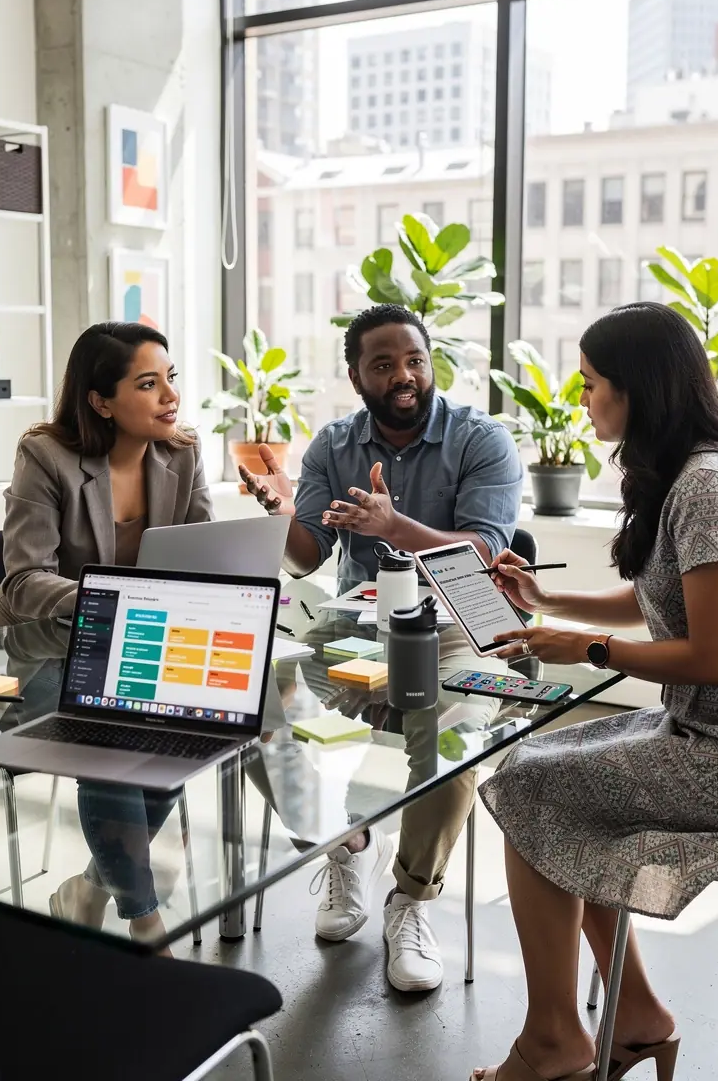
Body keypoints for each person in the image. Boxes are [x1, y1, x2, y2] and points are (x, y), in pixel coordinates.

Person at [472, 302, 718, 1081]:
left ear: (638, 390)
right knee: (540, 775)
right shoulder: (695, 472)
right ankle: (632, 1018)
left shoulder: (706, 487)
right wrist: (546, 604)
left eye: (593, 383)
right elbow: (660, 601)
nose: (584, 399)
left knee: (528, 789)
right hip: (700, 735)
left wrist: (590, 650)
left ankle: (554, 1040)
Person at [240, 303, 522, 991]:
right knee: (249, 710)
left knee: (455, 743)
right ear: (356, 375)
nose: (404, 375)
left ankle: (411, 899)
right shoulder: (334, 446)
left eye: (415, 360)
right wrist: (279, 507)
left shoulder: (482, 439)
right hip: (355, 624)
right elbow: (307, 557)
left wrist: (396, 524)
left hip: (460, 618)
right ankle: (348, 843)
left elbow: (485, 554)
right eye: (384, 364)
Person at [0, 321, 214, 947]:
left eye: (171, 378)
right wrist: (123, 601)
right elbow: (25, 581)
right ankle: (144, 921)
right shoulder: (45, 457)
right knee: (111, 732)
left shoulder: (183, 453)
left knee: (191, 725)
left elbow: (210, 558)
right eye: (147, 383)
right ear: (100, 401)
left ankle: (88, 890)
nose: (170, 396)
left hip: (138, 650)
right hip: (35, 650)